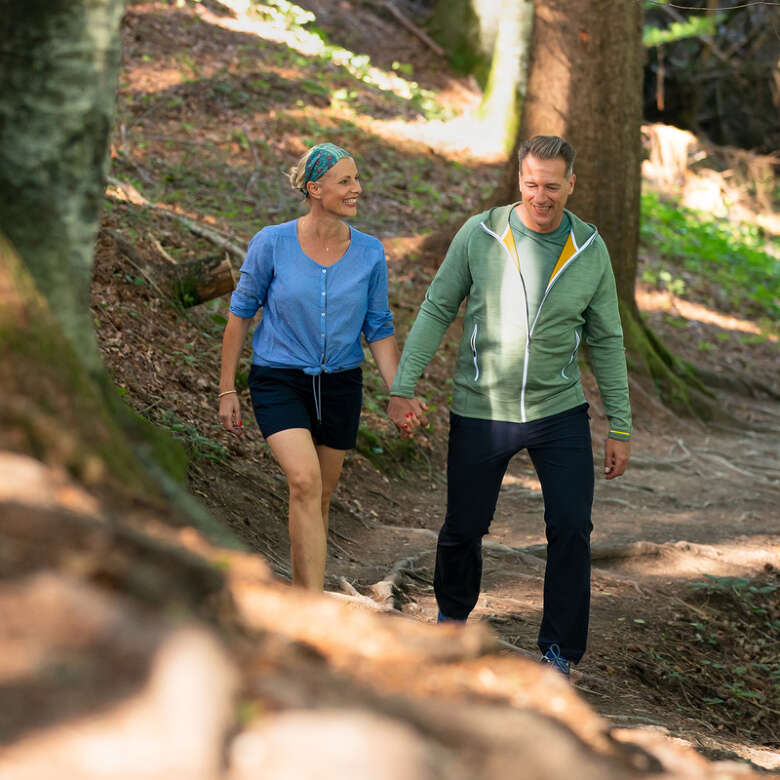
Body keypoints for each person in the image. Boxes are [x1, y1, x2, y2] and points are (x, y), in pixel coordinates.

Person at [388, 135, 631, 677]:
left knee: (571, 527)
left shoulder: (590, 249)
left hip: (559, 412)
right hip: (483, 407)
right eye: (530, 184)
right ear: (518, 180)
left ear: (571, 184)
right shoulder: (481, 233)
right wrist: (404, 385)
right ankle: (452, 623)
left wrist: (621, 423)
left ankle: (559, 654)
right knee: (464, 526)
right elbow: (436, 308)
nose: (540, 196)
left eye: (551, 185)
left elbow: (608, 340)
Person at [219, 142, 425, 591]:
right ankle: (308, 605)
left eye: (356, 179)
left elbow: (379, 327)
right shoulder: (271, 243)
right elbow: (239, 315)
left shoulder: (370, 253)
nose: (358, 189)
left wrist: (399, 390)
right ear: (315, 188)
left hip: (341, 386)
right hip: (279, 380)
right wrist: (227, 389)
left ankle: (306, 589)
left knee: (321, 496)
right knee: (304, 480)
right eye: (345, 181)